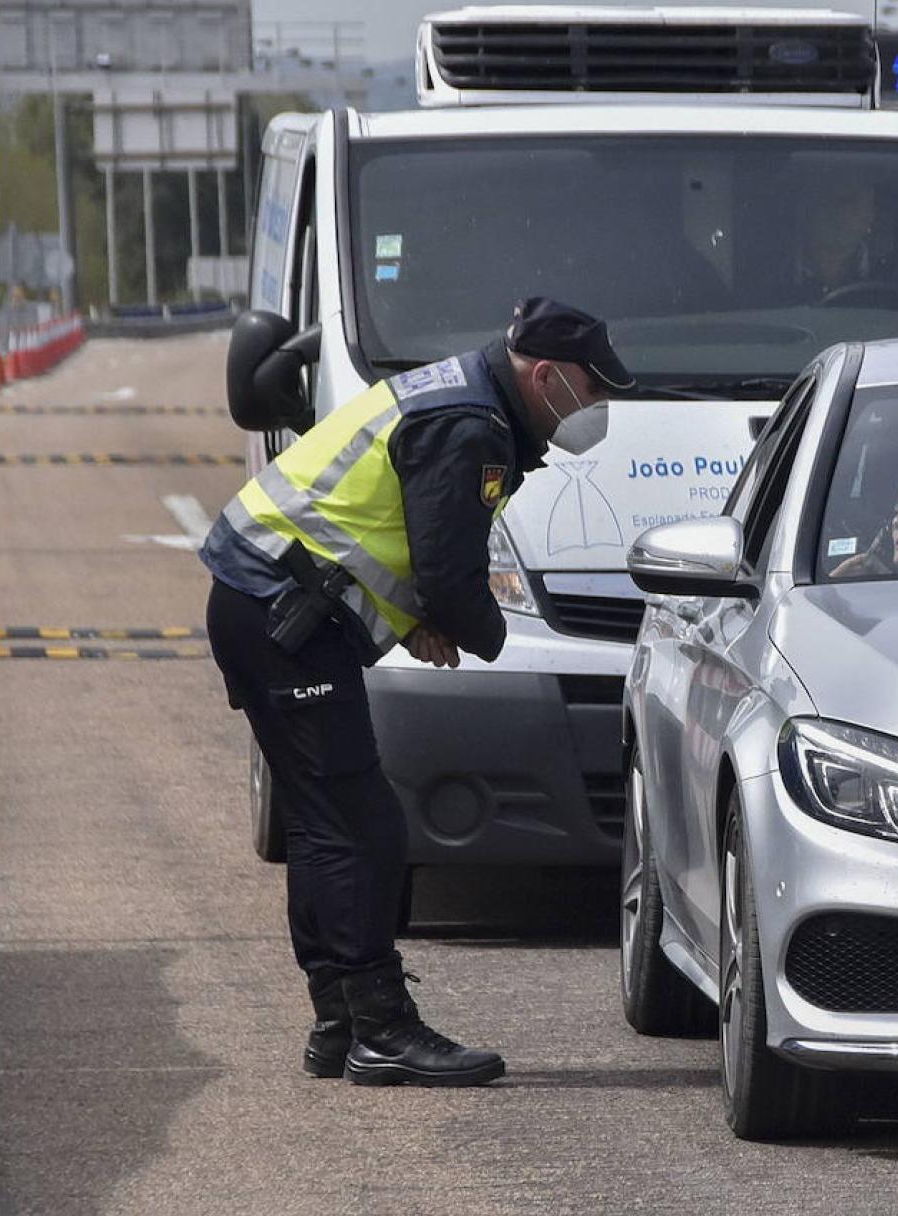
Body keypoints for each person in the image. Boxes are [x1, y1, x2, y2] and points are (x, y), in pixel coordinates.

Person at [200, 297, 632, 1087]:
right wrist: (484, 633)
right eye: (594, 390)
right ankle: (382, 1028)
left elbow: (381, 535)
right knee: (361, 828)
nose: (599, 408)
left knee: (327, 821)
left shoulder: (463, 397)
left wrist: (414, 618)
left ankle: (340, 1021)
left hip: (271, 603)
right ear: (546, 377)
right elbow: (449, 572)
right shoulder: (472, 427)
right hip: (280, 610)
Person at [788, 174, 898, 317]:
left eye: (851, 201)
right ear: (805, 208)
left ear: (870, 214)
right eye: (828, 198)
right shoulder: (769, 275)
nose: (840, 211)